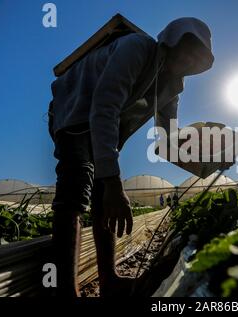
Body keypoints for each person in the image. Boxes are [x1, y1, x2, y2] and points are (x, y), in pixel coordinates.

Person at [47, 17, 214, 297]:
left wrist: (207, 162)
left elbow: (167, 139)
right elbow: (104, 107)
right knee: (76, 185)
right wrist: (113, 182)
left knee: (103, 199)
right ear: (171, 40)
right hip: (74, 110)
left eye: (196, 59)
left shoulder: (173, 86)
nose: (188, 60)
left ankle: (109, 279)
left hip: (106, 128)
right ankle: (65, 289)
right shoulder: (137, 49)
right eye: (187, 49)